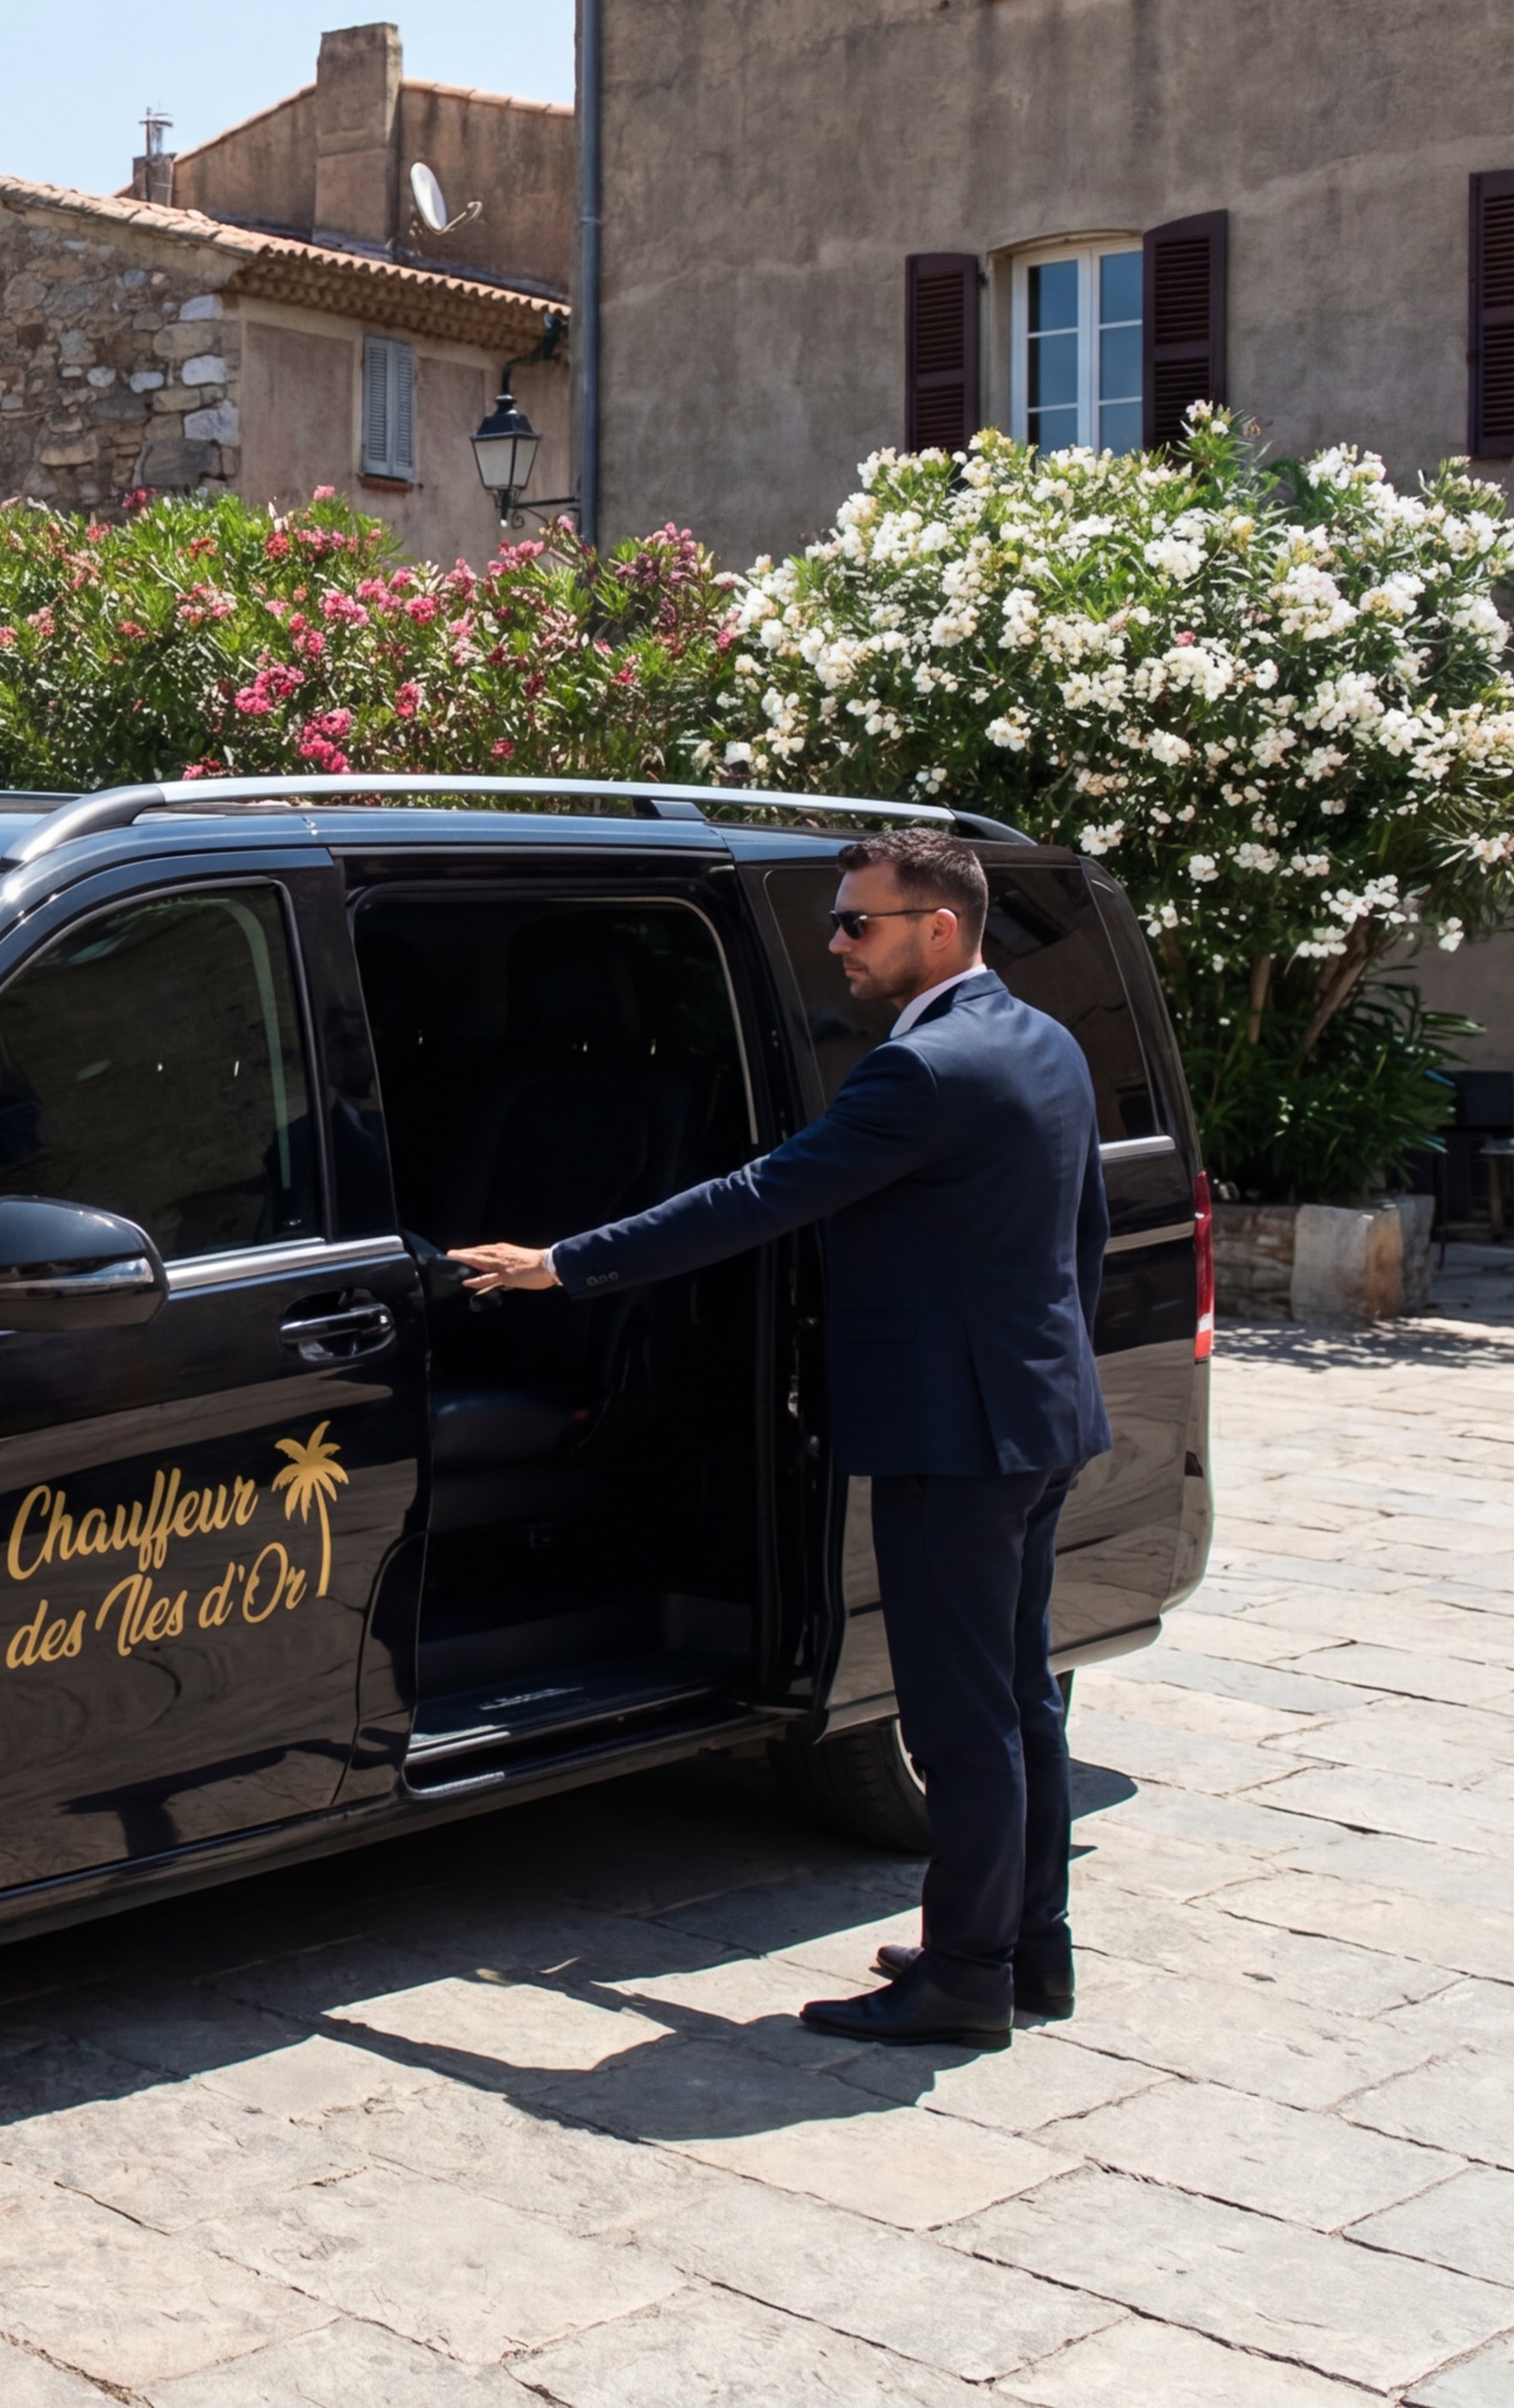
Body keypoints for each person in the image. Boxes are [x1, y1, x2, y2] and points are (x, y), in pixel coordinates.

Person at [453, 828, 1107, 2049]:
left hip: (954, 1439)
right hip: (1037, 1415)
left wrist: (564, 1264)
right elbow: (1079, 1238)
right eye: (840, 921)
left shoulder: (923, 1072)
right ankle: (1030, 1947)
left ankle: (967, 1975)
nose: (837, 943)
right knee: (1018, 1699)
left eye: (862, 922)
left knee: (961, 1714)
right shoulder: (1045, 1039)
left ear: (942, 931)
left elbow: (763, 1194)